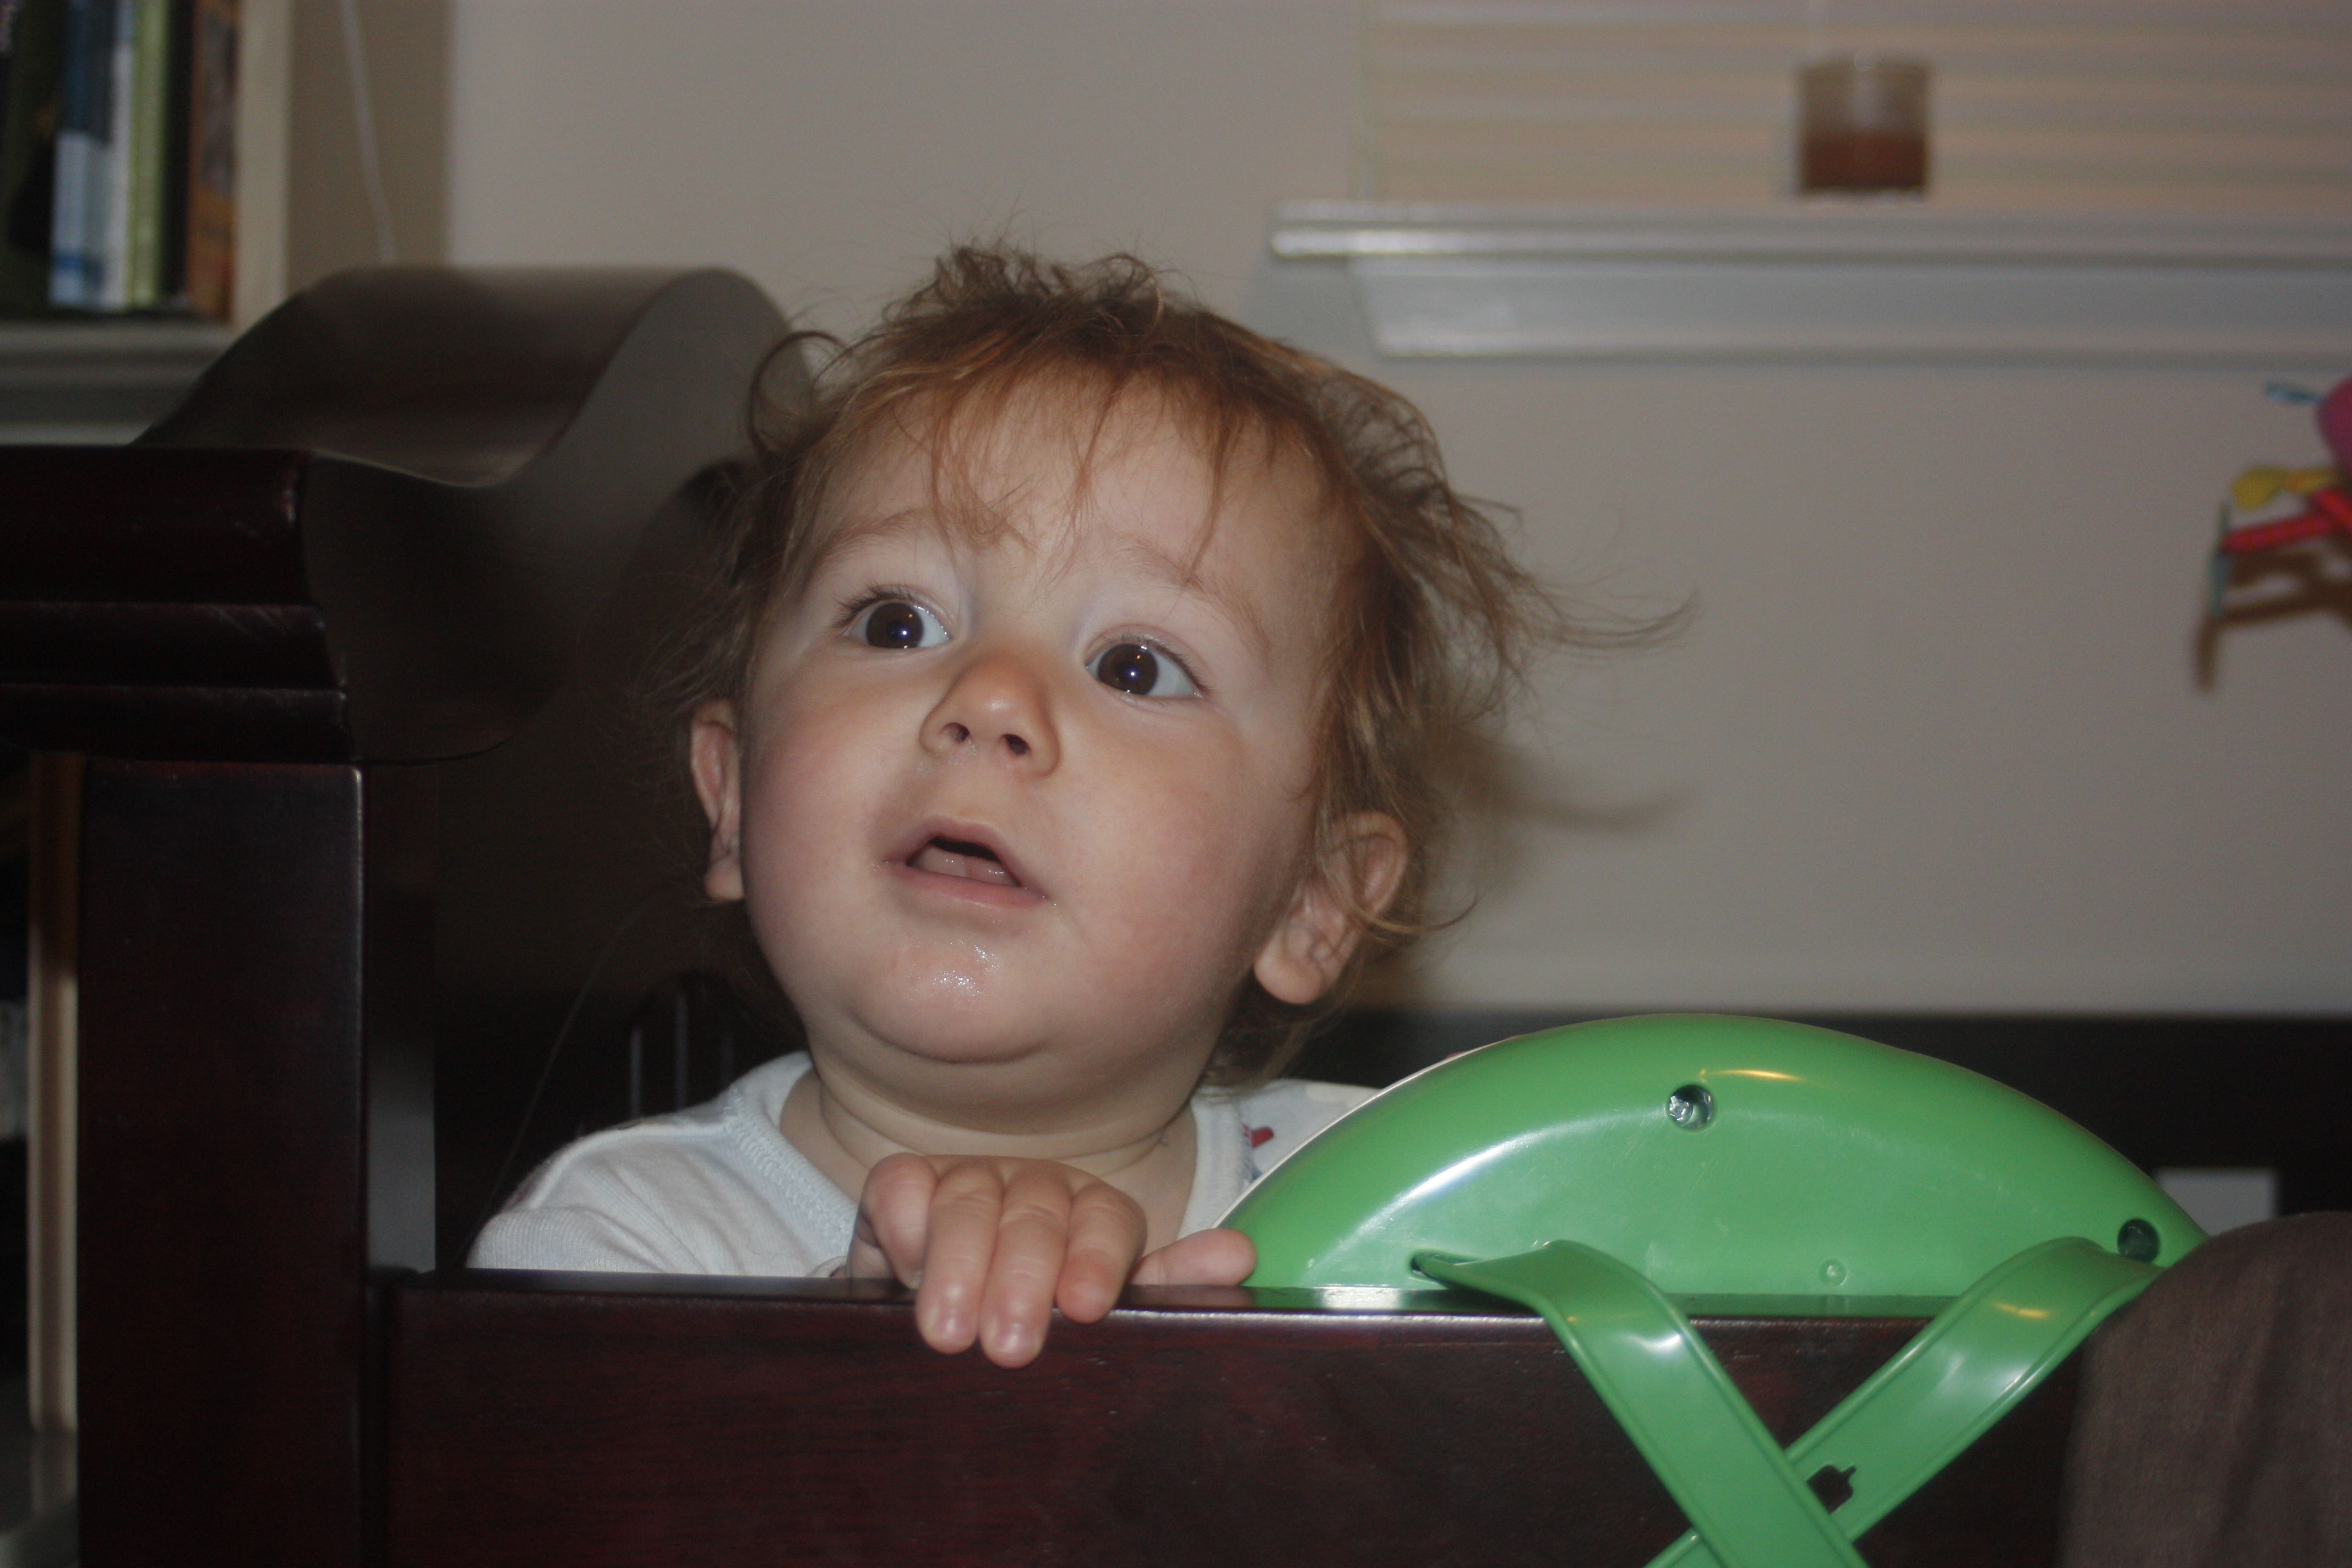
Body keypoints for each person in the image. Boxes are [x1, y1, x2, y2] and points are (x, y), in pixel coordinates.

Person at [471, 244, 1575, 1367]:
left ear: (1313, 900)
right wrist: (846, 1351)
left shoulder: (1415, 1221)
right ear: (735, 795)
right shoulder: (607, 1248)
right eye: (897, 622)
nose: (990, 698)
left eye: (1136, 666)